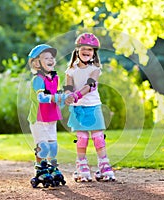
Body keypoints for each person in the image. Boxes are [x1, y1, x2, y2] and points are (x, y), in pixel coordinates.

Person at [64, 33, 116, 182]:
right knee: (82, 138)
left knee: (98, 137)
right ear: (77, 50)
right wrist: (68, 95)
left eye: (90, 49)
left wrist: (76, 95)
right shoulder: (70, 70)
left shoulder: (95, 69)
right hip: (78, 108)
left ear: (94, 53)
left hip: (93, 106)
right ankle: (82, 166)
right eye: (84, 48)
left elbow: (90, 85)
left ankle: (104, 166)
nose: (87, 51)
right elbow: (68, 86)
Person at [27, 44, 68, 186]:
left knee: (53, 146)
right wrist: (56, 97)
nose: (51, 59)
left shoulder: (54, 78)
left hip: (51, 118)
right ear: (37, 63)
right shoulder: (38, 79)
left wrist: (64, 98)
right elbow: (41, 98)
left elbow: (56, 98)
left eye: (52, 57)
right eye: (46, 58)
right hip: (38, 118)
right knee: (43, 146)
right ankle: (40, 169)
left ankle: (52, 167)